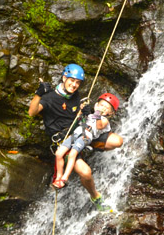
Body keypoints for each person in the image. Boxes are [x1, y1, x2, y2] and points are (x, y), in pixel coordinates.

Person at [28, 63, 123, 211]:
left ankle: (89, 146)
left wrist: (84, 112)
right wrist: (38, 94)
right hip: (65, 138)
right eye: (72, 80)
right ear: (64, 77)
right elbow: (32, 112)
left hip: (83, 131)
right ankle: (96, 197)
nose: (74, 85)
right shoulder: (50, 97)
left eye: (77, 82)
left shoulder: (75, 96)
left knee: (117, 141)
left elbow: (84, 117)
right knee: (85, 172)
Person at [52, 94, 119, 190]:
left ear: (111, 113)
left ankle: (64, 178)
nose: (103, 108)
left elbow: (99, 126)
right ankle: (58, 177)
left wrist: (96, 113)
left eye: (106, 108)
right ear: (96, 105)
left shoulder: (104, 120)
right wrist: (83, 110)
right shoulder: (90, 116)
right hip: (76, 133)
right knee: (58, 154)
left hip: (86, 136)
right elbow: (79, 120)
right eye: (101, 105)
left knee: (72, 154)